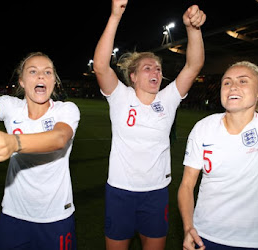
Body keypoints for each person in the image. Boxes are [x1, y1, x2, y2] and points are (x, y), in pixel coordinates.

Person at [93, 0, 206, 249]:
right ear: (133, 76)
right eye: (147, 67)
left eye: (158, 67)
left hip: (156, 193)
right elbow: (101, 66)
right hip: (120, 192)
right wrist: (114, 16)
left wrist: (192, 29)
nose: (155, 70)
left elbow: (193, 65)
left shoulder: (168, 98)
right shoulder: (121, 96)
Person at [178, 0, 258, 249]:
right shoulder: (203, 127)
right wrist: (188, 226)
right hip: (204, 237)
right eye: (227, 82)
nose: (233, 86)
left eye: (243, 81)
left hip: (256, 241)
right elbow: (187, 186)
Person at [0, 52, 80, 250]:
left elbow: (59, 138)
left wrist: (14, 143)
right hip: (14, 215)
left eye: (47, 72)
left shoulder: (66, 110)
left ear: (54, 82)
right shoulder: (11, 106)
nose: (41, 76)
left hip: (56, 217)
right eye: (33, 71)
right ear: (21, 81)